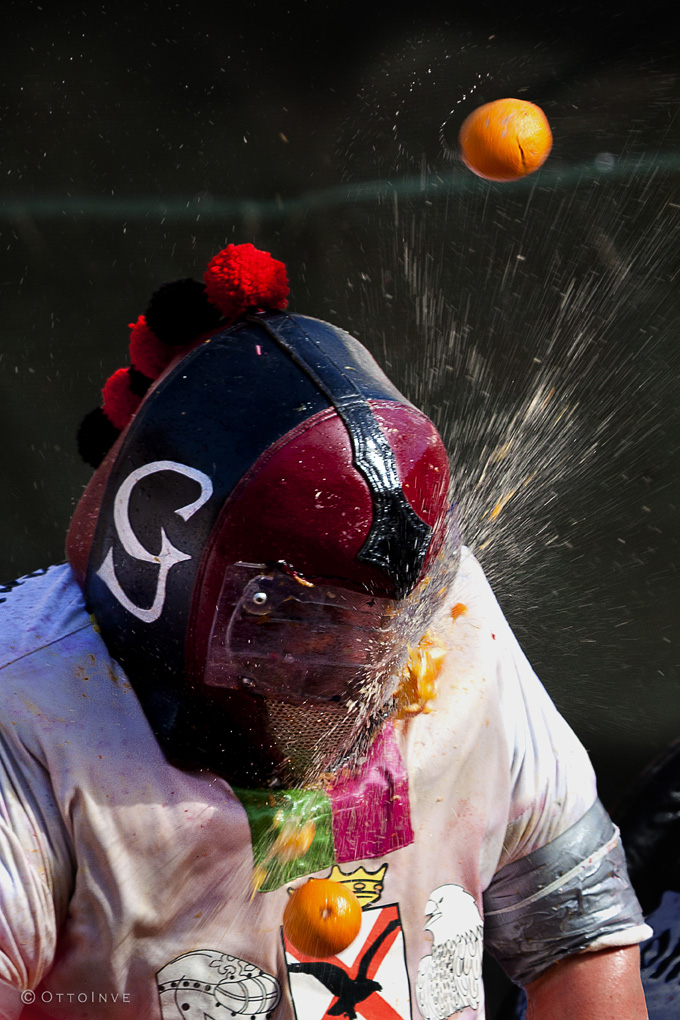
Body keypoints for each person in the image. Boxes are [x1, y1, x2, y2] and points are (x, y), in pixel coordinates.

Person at [0, 243, 650, 1019]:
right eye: (285, 614)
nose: (349, 667)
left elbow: (578, 935)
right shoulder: (31, 710)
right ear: (166, 583)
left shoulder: (448, 617)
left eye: (375, 623)